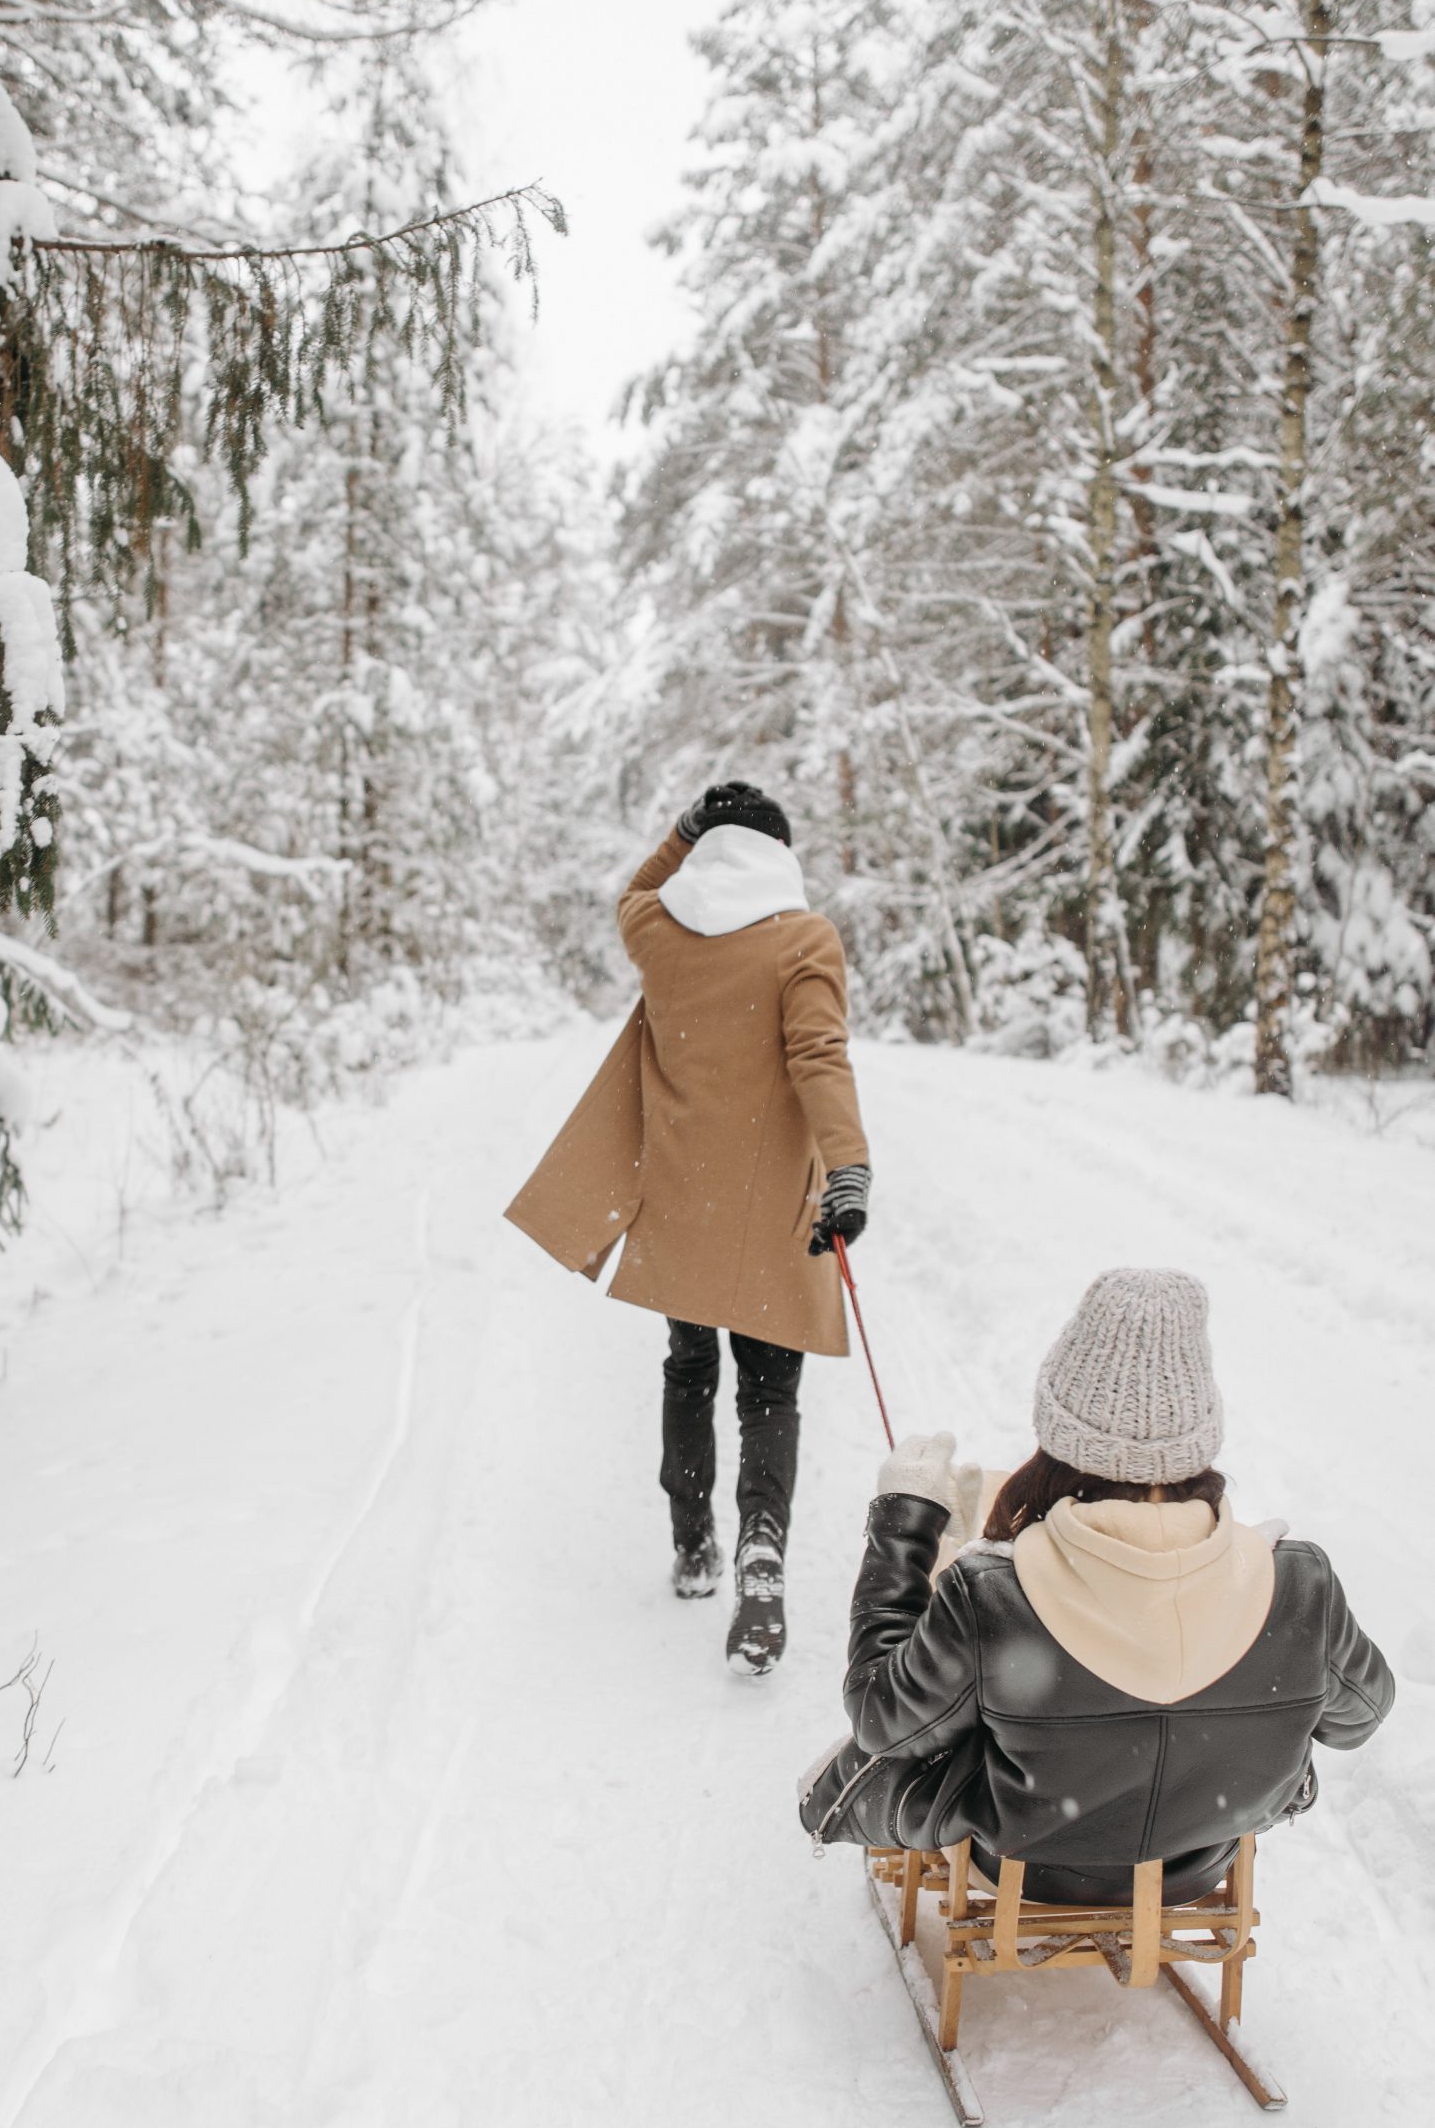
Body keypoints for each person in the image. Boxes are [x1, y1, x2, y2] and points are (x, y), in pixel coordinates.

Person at [839, 1267, 1393, 1898]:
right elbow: (1359, 1720)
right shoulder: (1299, 1583)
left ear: (1056, 1438)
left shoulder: (990, 1591)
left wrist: (902, 1526)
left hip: (1031, 1870)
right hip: (1201, 1865)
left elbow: (882, 1724)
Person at [505, 781, 871, 1674]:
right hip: (772, 1205)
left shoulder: (658, 937)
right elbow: (819, 1055)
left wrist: (684, 830)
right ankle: (761, 1547)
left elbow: (636, 889)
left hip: (680, 1200)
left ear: (706, 856)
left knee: (689, 1365)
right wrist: (848, 1168)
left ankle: (693, 1542)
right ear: (780, 859)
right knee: (768, 1392)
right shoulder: (802, 941)